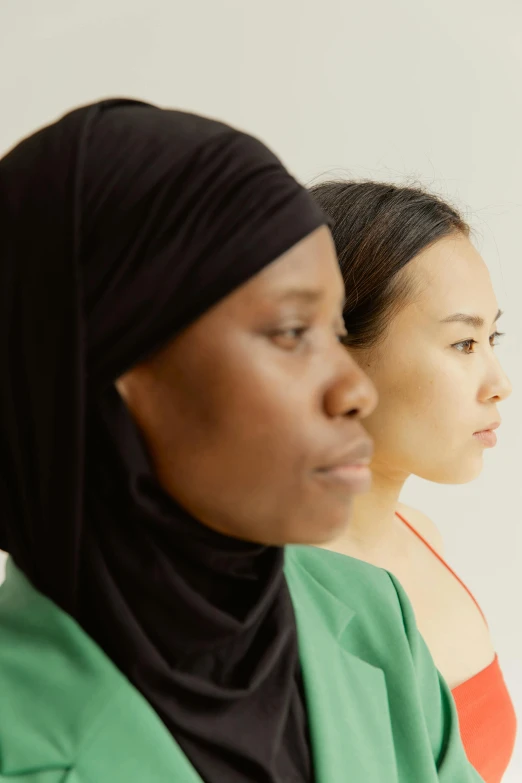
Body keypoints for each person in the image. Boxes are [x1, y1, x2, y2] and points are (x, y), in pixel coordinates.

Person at [0, 100, 484, 783]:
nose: (355, 392)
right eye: (291, 333)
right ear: (106, 365)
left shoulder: (379, 623)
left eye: (337, 333)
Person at [310, 179, 517, 783]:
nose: (499, 382)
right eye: (463, 342)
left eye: (491, 339)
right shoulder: (277, 596)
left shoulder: (421, 536)